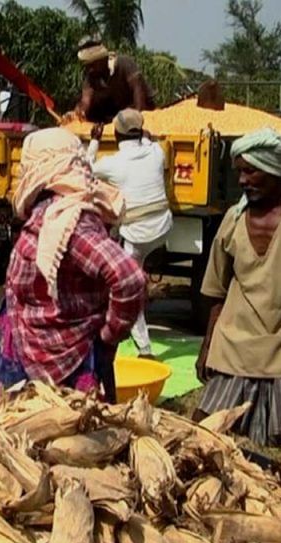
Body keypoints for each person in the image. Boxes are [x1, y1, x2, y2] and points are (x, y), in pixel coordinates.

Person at [193, 127, 281, 470]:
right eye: (240, 172)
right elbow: (216, 292)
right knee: (203, 427)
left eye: (251, 171)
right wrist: (207, 346)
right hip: (236, 345)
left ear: (274, 171)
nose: (243, 180)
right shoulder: (232, 220)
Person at [0, 127, 146, 402]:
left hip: (62, 357)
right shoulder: (55, 211)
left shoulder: (67, 219)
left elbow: (128, 278)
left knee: (55, 436)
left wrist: (111, 332)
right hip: (34, 339)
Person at [87, 109, 172, 359]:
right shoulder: (157, 152)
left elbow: (86, 167)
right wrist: (145, 136)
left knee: (127, 289)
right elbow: (150, 140)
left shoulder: (113, 163)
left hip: (137, 235)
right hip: (163, 228)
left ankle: (144, 349)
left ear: (115, 134)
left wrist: (94, 140)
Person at [74, 39, 155, 124]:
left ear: (102, 60)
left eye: (92, 65)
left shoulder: (124, 64)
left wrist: (138, 118)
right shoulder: (92, 77)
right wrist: (81, 109)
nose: (89, 69)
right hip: (116, 116)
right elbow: (86, 100)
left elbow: (138, 92)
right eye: (87, 66)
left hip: (138, 110)